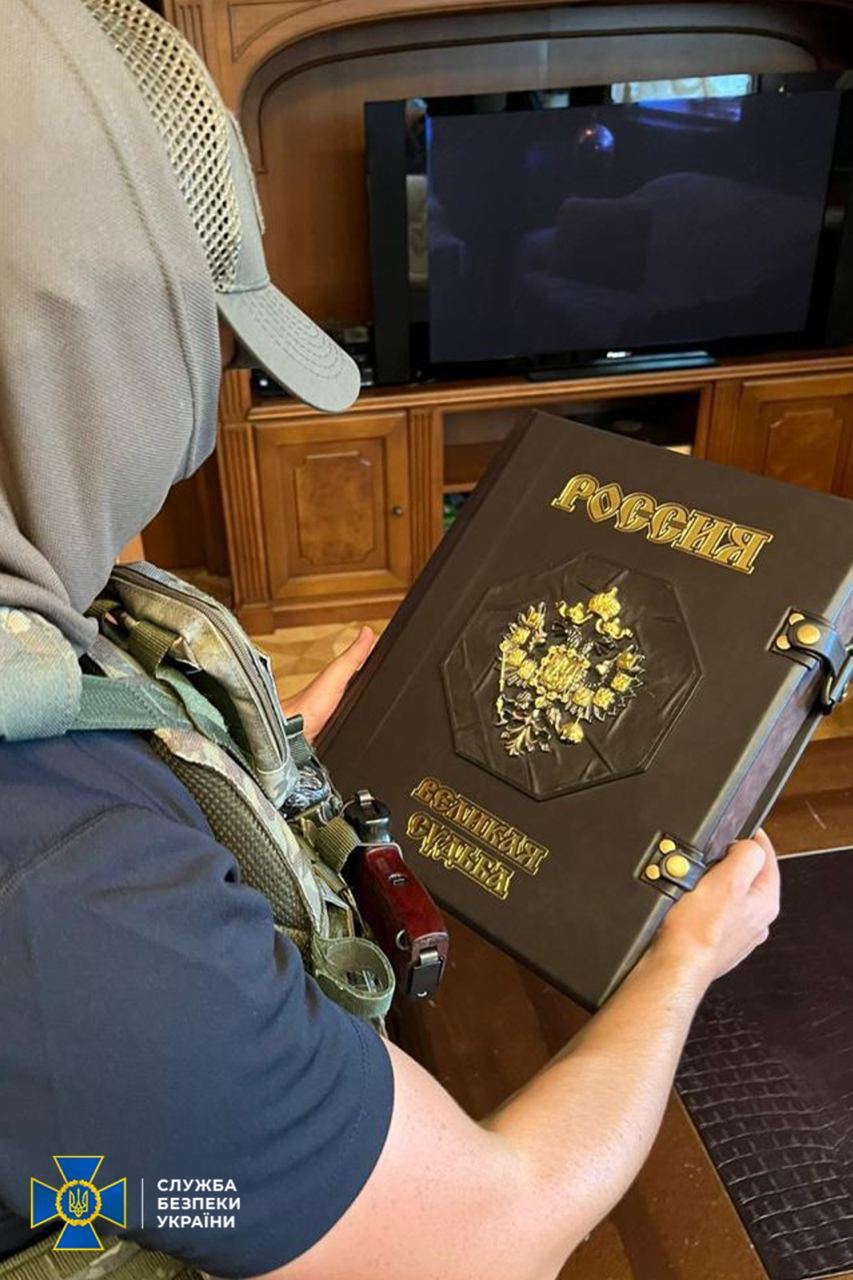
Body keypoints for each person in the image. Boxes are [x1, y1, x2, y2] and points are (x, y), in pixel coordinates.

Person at [0, 3, 780, 1279]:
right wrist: (684, 962)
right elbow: (487, 1234)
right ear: (107, 362)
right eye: (205, 337)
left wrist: (241, 763)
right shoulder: (66, 886)